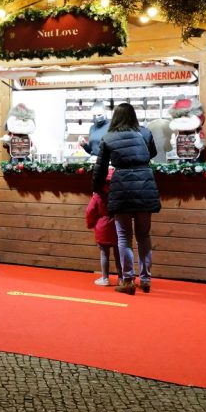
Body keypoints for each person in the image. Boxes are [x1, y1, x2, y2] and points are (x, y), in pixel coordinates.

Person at [92, 103, 161, 295]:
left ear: (114, 117)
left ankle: (128, 280)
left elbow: (100, 168)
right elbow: (152, 153)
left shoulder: (108, 137)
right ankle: (146, 279)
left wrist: (97, 189)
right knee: (144, 235)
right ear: (134, 116)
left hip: (121, 187)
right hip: (145, 185)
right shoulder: (145, 133)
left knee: (124, 237)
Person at [85, 167, 120, 286]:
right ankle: (121, 278)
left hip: (102, 227)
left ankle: (105, 278)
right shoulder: (118, 194)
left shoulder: (97, 195)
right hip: (117, 225)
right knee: (118, 253)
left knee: (104, 254)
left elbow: (90, 211)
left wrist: (90, 224)